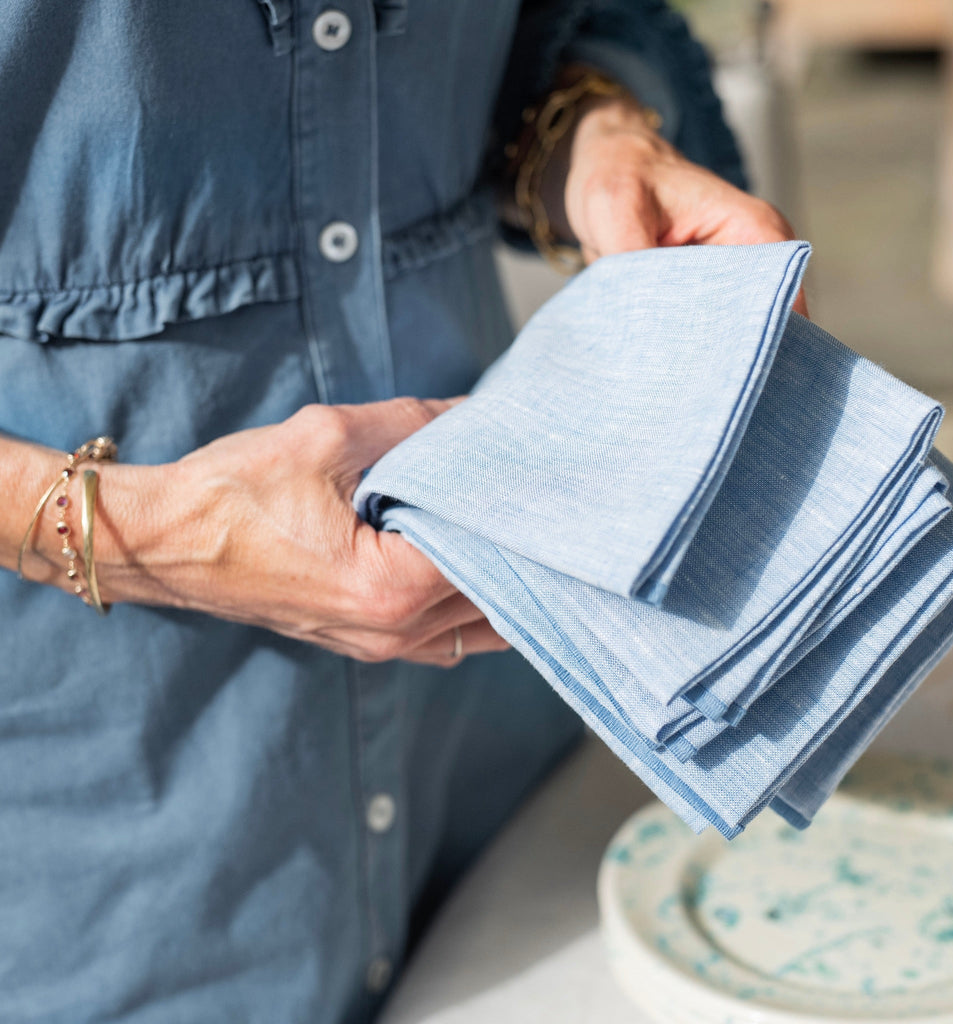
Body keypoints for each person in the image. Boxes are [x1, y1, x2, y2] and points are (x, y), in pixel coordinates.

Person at [0, 2, 801, 1020]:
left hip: (500, 763)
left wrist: (592, 137)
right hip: (99, 852)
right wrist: (140, 533)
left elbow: (561, 26)